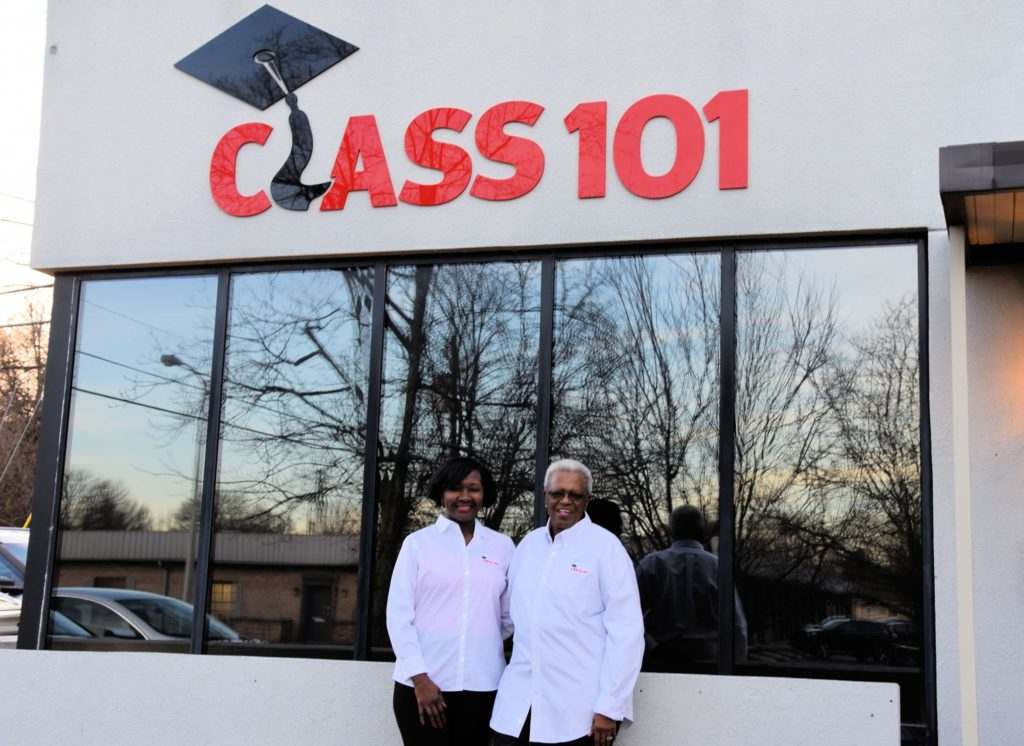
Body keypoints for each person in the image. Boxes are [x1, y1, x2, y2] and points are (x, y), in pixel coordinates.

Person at [491, 459, 644, 746]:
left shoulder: (606, 549)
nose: (565, 501)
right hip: (516, 707)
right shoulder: (528, 546)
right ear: (545, 495)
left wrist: (609, 708)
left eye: (575, 495)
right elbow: (508, 618)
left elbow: (627, 634)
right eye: (557, 493)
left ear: (587, 500)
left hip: (578, 713)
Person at [386, 456, 515, 746]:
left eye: (474, 488)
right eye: (456, 488)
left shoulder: (503, 547)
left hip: (484, 689)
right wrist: (420, 678)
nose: (465, 497)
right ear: (442, 493)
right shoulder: (418, 544)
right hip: (423, 689)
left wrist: (478, 638)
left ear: (485, 494)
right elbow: (398, 616)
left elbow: (507, 619)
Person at [636, 505, 748, 671]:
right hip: (711, 662)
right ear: (702, 531)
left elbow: (629, 616)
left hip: (663, 663)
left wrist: (652, 648)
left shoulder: (651, 564)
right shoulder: (718, 567)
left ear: (672, 531)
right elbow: (737, 624)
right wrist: (738, 664)